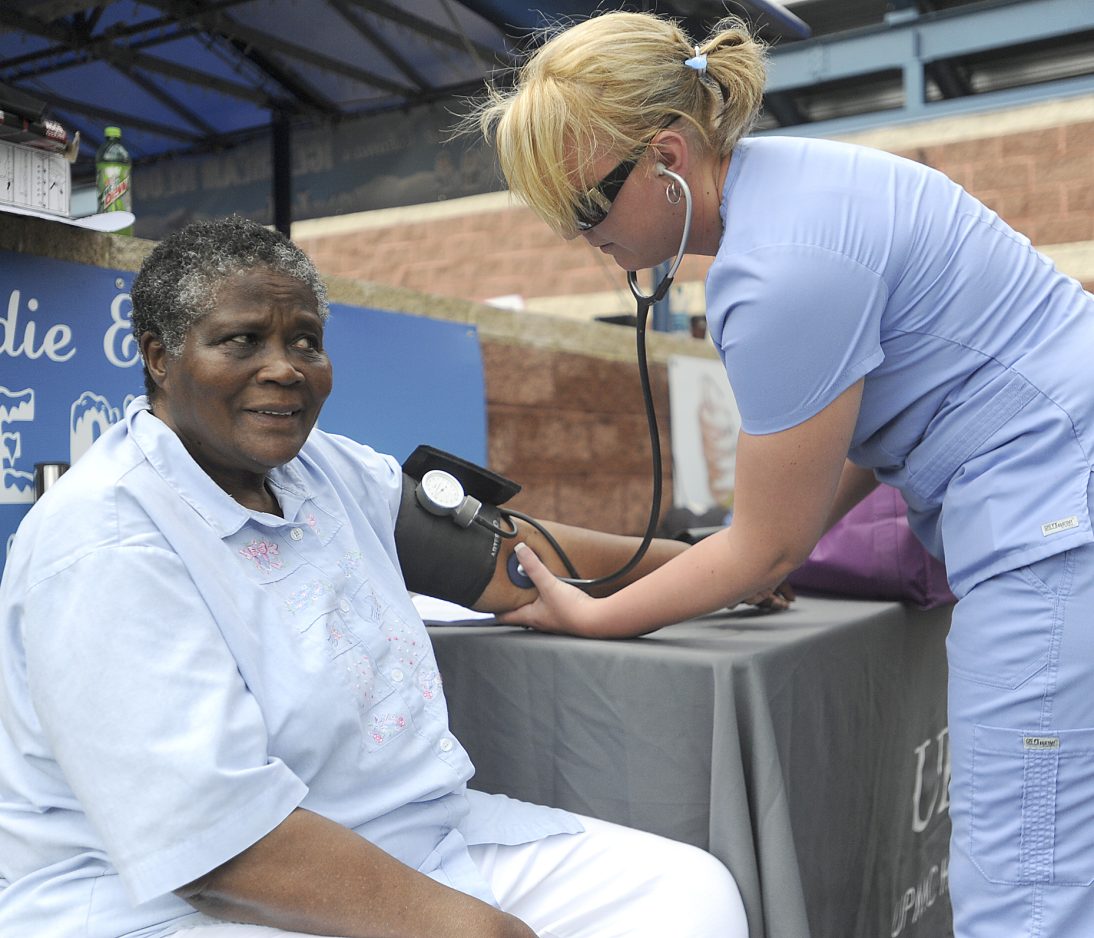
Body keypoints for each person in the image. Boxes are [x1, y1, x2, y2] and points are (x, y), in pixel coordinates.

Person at [474, 10, 1094, 938]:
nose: (577, 236)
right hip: (1067, 492)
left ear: (668, 157)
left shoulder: (775, 272)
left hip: (1056, 529)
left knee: (1026, 898)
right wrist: (768, 547)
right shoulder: (803, 184)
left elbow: (765, 547)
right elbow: (845, 447)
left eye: (587, 207)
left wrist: (595, 614)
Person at [0, 216, 749, 938]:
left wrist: (716, 567)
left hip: (406, 840)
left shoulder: (324, 470)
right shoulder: (104, 542)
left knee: (687, 896)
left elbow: (511, 560)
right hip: (181, 904)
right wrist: (477, 930)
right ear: (159, 356)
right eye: (242, 340)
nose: (285, 367)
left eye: (306, 341)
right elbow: (218, 850)